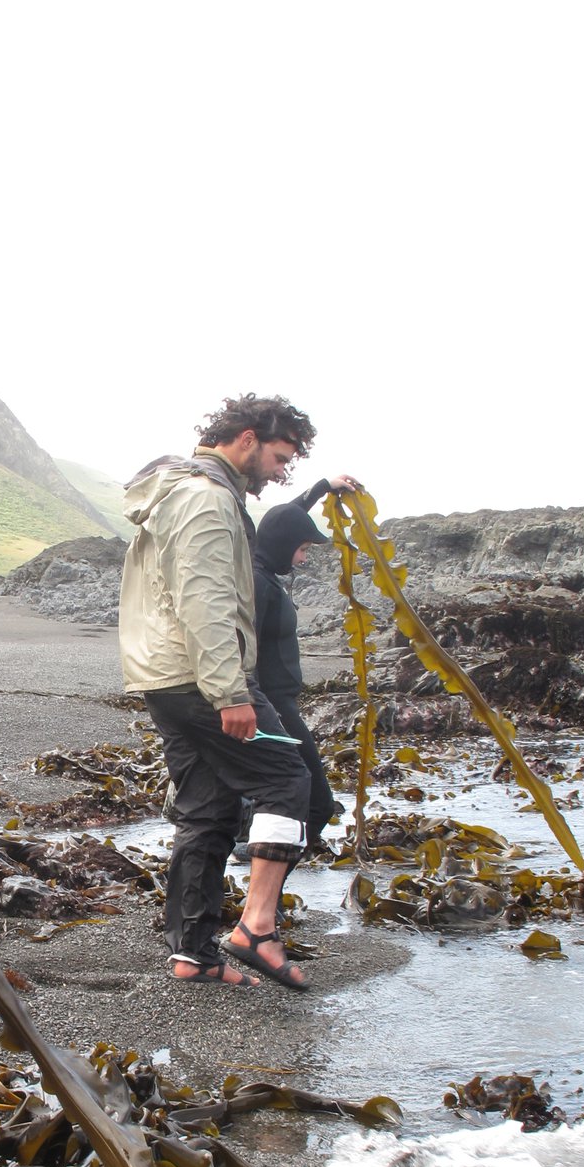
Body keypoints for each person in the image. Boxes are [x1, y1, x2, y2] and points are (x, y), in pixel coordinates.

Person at [118, 393, 316, 989]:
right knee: (286, 778)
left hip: (165, 676)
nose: (282, 472)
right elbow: (203, 599)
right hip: (202, 675)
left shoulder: (183, 488)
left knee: (208, 808)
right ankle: (256, 928)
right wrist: (230, 692)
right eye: (281, 457)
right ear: (249, 439)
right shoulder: (206, 499)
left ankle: (194, 955)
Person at [249, 471, 361, 857]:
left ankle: (254, 867)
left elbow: (283, 519)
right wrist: (257, 710)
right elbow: (242, 654)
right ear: (283, 546)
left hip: (280, 703)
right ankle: (262, 888)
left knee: (295, 798)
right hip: (272, 705)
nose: (304, 557)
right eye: (302, 549)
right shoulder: (258, 585)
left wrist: (323, 487)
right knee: (316, 803)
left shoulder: (264, 567)